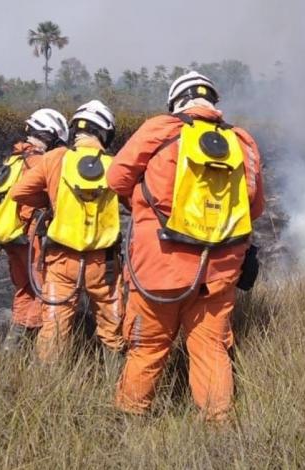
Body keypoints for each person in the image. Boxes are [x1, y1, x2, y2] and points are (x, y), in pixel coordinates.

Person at [107, 71, 265, 421]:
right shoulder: (243, 141)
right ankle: (219, 426)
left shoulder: (160, 129)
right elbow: (254, 207)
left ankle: (130, 419)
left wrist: (143, 202)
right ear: (213, 102)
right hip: (218, 272)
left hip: (159, 268)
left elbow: (116, 178)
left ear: (176, 102)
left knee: (147, 347)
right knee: (211, 349)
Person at [10, 100, 126, 363]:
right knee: (112, 330)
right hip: (104, 265)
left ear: (76, 130)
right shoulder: (115, 164)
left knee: (54, 330)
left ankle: (47, 381)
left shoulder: (55, 158)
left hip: (61, 261)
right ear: (105, 133)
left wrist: (53, 202)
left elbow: (19, 192)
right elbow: (134, 199)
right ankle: (113, 380)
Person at [0, 108, 69, 351]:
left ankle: (12, 347)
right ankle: (38, 349)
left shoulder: (14, 159)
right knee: (44, 289)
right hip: (32, 237)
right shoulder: (40, 161)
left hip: (12, 236)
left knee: (24, 289)